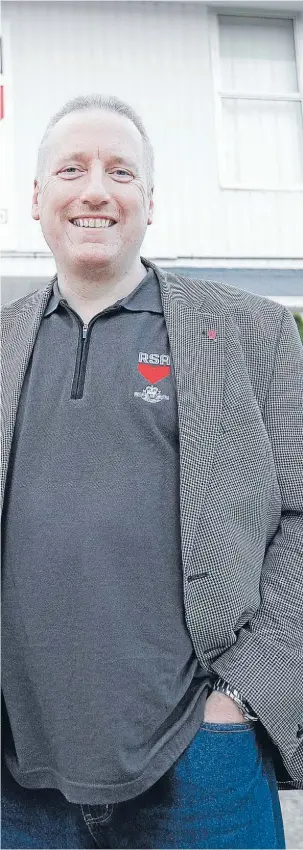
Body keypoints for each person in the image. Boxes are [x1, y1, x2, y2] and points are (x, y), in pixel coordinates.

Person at [1, 93, 302, 850]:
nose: (95, 188)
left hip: (202, 763)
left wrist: (245, 694)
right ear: (37, 198)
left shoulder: (247, 332)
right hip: (17, 776)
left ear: (149, 199)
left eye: (119, 170)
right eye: (71, 168)